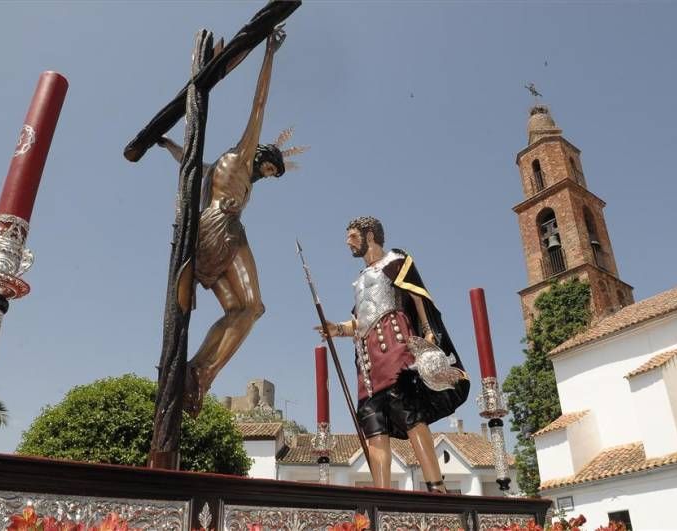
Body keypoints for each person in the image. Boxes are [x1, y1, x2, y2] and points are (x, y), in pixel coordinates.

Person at [157, 26, 296, 417]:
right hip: (224, 230)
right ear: (263, 157)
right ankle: (204, 372)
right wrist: (270, 53)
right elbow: (259, 105)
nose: (267, 175)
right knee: (254, 308)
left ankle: (195, 371)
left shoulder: (218, 167)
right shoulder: (241, 155)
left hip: (202, 235)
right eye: (270, 169)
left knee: (237, 310)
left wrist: (167, 143)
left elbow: (190, 163)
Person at [318, 216, 469, 492]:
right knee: (374, 423)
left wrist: (427, 330)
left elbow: (416, 294)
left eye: (352, 236)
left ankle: (436, 485)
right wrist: (336, 329)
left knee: (409, 412)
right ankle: (383, 494)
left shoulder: (395, 261)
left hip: (395, 344)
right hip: (366, 359)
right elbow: (361, 321)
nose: (347, 242)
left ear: (370, 236)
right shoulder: (361, 280)